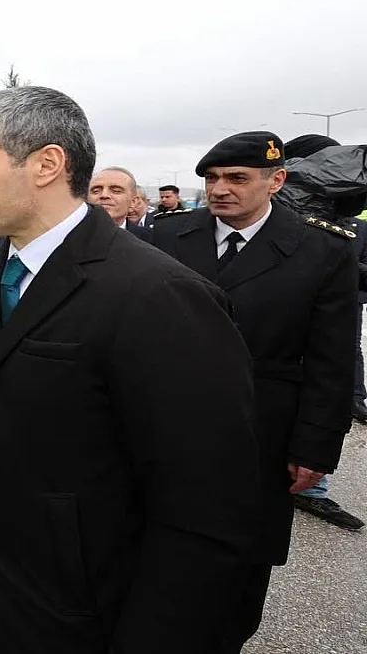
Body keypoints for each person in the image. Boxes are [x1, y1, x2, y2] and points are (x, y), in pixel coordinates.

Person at [0, 87, 259, 653]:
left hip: (87, 607)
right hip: (0, 575)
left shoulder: (160, 295)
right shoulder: (5, 269)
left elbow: (207, 510)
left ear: (47, 164)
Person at [151, 131, 358, 651]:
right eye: (212, 178)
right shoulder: (168, 237)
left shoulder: (322, 249)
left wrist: (315, 447)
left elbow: (331, 360)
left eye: (237, 178)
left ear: (276, 180)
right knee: (159, 545)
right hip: (169, 421)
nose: (220, 189)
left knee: (242, 560)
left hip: (261, 429)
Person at [258, 133, 365, 532]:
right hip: (288, 328)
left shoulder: (333, 211)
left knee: (322, 393)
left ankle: (309, 481)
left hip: (325, 321)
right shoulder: (286, 205)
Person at [88, 166, 152, 241]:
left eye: (116, 191)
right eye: (96, 191)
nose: (104, 195)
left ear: (133, 201)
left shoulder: (152, 239)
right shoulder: (75, 234)